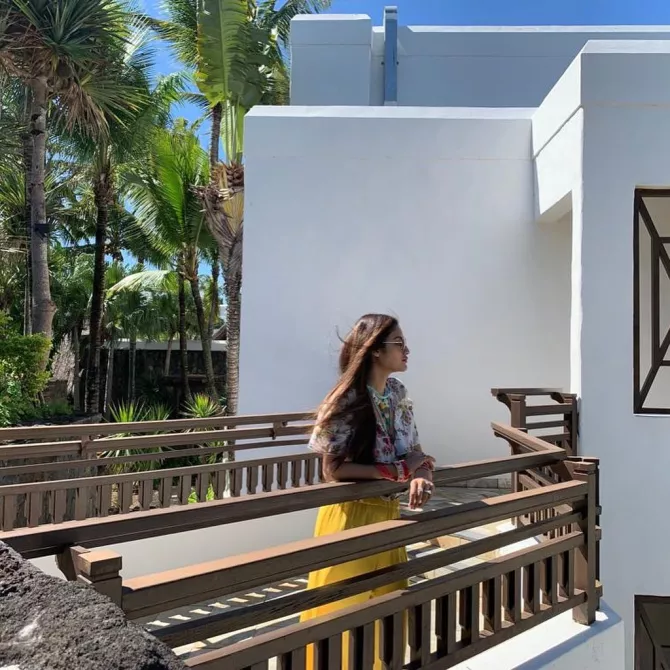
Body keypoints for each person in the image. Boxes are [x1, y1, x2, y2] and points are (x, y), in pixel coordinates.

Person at [300, 313, 435, 669]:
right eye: (399, 343)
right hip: (350, 515)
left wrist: (420, 474)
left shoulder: (397, 393)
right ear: (375, 350)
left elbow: (415, 450)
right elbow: (332, 469)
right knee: (340, 616)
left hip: (388, 515)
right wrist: (395, 472)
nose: (407, 350)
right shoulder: (346, 400)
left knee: (388, 611)